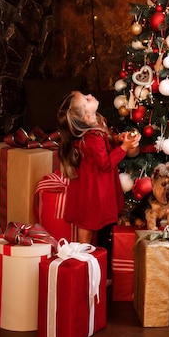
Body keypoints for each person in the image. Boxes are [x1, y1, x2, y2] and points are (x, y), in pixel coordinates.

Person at [57, 91, 141, 244]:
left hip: (95, 184)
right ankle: (83, 256)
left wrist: (116, 139)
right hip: (93, 188)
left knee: (93, 220)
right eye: (86, 99)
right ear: (86, 117)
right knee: (88, 223)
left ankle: (93, 256)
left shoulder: (97, 123)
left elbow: (104, 145)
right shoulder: (92, 137)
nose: (90, 95)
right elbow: (105, 163)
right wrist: (124, 148)